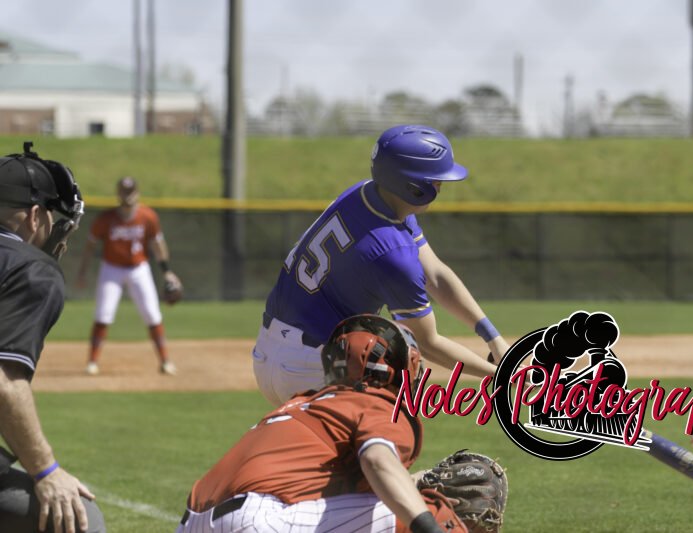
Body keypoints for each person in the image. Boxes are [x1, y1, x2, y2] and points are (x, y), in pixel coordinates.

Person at [254, 124, 510, 405]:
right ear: (414, 187)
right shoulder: (393, 252)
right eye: (436, 180)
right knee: (389, 441)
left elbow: (435, 274)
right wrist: (501, 375)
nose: (441, 185)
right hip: (315, 370)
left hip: (273, 352)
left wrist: (492, 337)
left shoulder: (369, 196)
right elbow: (428, 343)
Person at [178, 314, 467, 533]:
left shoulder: (301, 403)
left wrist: (417, 480)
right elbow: (378, 462)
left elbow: (324, 485)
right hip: (258, 521)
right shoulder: (376, 402)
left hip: (193, 522)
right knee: (433, 512)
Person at [0, 142, 105, 533]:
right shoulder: (32, 268)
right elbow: (5, 385)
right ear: (34, 216)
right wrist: (46, 471)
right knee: (80, 520)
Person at [76, 176, 181, 376]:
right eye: (124, 191)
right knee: (103, 314)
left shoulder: (147, 216)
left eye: (131, 191)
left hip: (138, 268)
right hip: (111, 268)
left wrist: (167, 271)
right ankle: (92, 362)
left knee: (152, 313)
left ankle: (165, 361)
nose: (128, 196)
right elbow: (90, 246)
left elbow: (158, 245)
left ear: (137, 193)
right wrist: (82, 272)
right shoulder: (106, 219)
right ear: (118, 194)